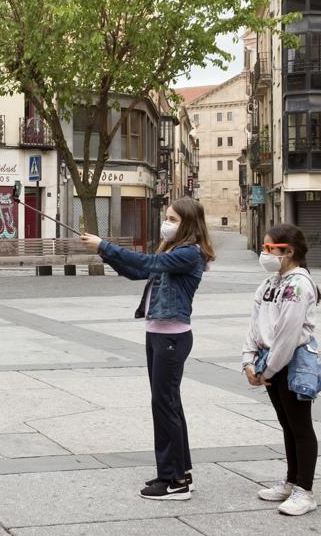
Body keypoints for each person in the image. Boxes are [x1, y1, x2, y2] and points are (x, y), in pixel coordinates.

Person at [80, 198, 214, 501]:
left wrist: (105, 244)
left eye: (172, 219)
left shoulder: (189, 254)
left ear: (188, 224)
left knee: (164, 406)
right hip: (158, 335)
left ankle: (174, 481)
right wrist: (103, 250)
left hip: (171, 338)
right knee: (168, 405)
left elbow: (146, 263)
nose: (166, 223)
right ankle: (178, 472)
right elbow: (136, 272)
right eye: (167, 217)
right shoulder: (172, 253)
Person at [242, 224, 321, 517]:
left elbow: (289, 334)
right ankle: (292, 480)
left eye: (269, 249)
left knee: (300, 426)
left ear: (288, 251)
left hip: (293, 362)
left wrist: (270, 370)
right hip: (269, 361)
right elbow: (255, 322)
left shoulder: (299, 284)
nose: (264, 253)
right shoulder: (268, 283)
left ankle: (305, 489)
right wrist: (248, 361)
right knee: (287, 424)